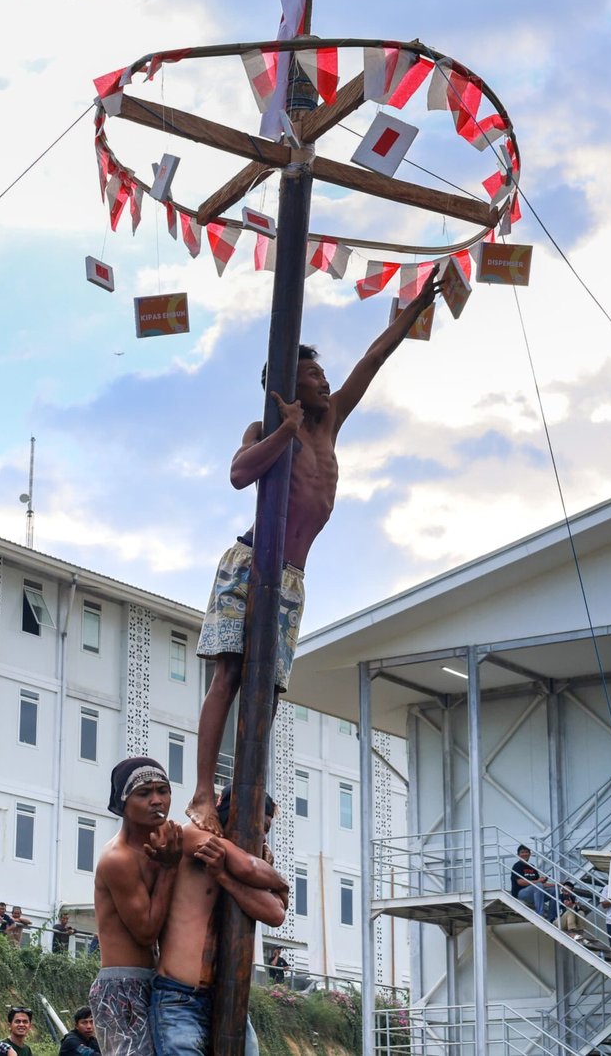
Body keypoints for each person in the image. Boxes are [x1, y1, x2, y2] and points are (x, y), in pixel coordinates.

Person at [187, 278, 440, 831]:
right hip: (251, 562)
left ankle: (242, 787)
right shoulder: (270, 426)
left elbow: (374, 358)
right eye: (312, 375)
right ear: (288, 386)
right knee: (228, 676)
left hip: (294, 577)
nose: (325, 382)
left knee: (271, 687)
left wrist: (417, 306)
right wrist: (287, 432)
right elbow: (238, 475)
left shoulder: (331, 423)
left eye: (324, 375)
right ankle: (204, 791)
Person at [151, 788, 286, 1055]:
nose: (261, 834)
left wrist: (224, 877)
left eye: (265, 828)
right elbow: (249, 868)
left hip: (229, 999)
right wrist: (280, 883)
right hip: (180, 998)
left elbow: (276, 914)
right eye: (256, 825)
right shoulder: (193, 835)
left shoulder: (248, 862)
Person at [90, 758, 181, 1056]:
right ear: (123, 802)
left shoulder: (168, 839)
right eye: (144, 793)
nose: (157, 800)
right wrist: (168, 870)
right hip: (123, 987)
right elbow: (145, 931)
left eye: (163, 790)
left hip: (164, 983)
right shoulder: (118, 858)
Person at [508, 846, 554, 921]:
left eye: (526, 852)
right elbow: (520, 882)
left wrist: (556, 885)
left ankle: (552, 917)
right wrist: (538, 881)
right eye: (522, 852)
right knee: (538, 885)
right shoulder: (517, 866)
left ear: (529, 854)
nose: (524, 854)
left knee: (553, 890)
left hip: (535, 893)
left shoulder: (532, 867)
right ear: (518, 855)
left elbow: (540, 884)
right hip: (521, 894)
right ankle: (539, 914)